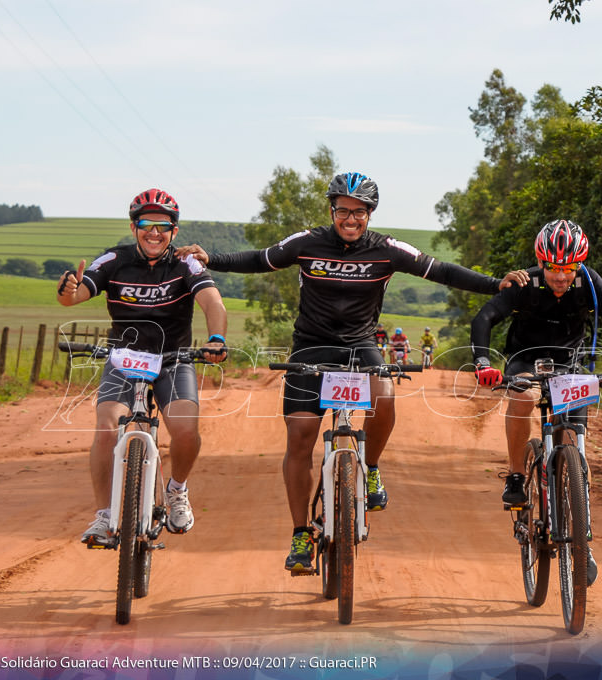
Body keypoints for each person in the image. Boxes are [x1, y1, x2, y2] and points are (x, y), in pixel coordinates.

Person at [176, 171, 527, 572]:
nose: (350, 219)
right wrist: (211, 259)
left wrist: (495, 284)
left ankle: (372, 468)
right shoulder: (308, 243)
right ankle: (301, 534)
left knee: (385, 395)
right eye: (343, 210)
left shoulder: (387, 250)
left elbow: (443, 271)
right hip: (311, 346)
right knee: (301, 439)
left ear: (370, 214)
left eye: (359, 212)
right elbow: (261, 259)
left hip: (360, 347)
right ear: (332, 210)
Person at [470, 219, 602, 583]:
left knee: (573, 441)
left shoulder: (591, 283)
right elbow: (485, 316)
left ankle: (582, 536)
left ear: (579, 264)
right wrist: (483, 362)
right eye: (552, 267)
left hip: (571, 363)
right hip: (525, 358)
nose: (561, 276)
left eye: (568, 268)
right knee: (521, 396)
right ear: (541, 262)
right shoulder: (525, 282)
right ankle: (518, 476)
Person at [56, 188, 228, 548]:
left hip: (173, 358)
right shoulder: (114, 260)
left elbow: (213, 301)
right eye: (147, 224)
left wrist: (216, 339)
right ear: (134, 227)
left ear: (174, 231)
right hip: (124, 357)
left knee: (184, 429)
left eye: (163, 226)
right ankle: (104, 516)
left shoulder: (185, 263)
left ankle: (177, 490)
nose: (155, 232)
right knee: (106, 428)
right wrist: (68, 291)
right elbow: (75, 297)